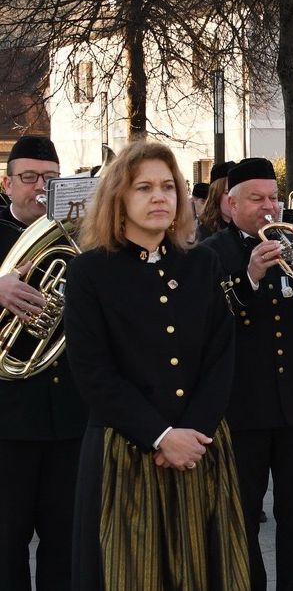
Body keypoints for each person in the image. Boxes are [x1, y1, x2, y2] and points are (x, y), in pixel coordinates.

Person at [63, 141, 249, 591]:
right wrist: (161, 436)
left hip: (199, 448)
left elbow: (221, 356)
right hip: (124, 451)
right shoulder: (89, 272)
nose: (160, 197)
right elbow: (92, 371)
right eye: (143, 187)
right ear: (119, 197)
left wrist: (193, 434)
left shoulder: (202, 263)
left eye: (168, 186)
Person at [202, 157, 293, 591]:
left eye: (273, 197)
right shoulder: (210, 253)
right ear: (231, 203)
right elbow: (207, 323)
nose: (269, 207)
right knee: (241, 515)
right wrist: (251, 276)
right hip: (243, 409)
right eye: (257, 198)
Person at [0, 135, 87, 591]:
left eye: (50, 179)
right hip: (7, 421)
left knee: (65, 546)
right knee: (5, 545)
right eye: (29, 177)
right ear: (7, 184)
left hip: (69, 416)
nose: (39, 187)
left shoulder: (85, 241)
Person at [196, 160, 235, 241]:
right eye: (227, 192)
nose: (234, 198)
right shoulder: (203, 235)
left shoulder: (252, 230)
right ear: (216, 195)